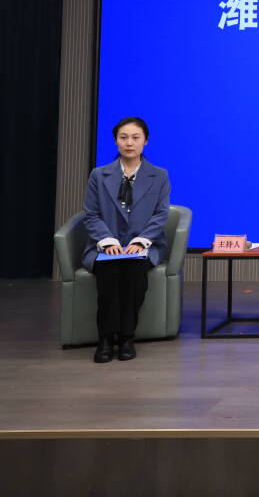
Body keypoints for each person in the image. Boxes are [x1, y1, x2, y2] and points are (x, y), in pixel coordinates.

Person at [80, 117, 170, 364]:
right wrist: (107, 240)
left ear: (145, 141)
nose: (129, 143)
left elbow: (161, 214)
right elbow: (91, 214)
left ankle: (126, 338)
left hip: (142, 246)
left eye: (135, 137)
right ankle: (105, 339)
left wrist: (142, 241)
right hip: (105, 246)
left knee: (134, 273)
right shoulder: (99, 175)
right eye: (123, 137)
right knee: (108, 273)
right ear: (116, 141)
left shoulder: (159, 176)